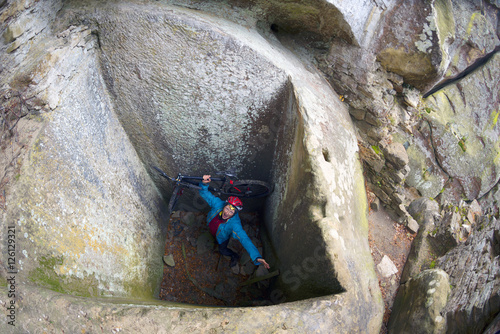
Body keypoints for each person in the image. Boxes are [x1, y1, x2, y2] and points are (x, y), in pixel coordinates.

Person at [199, 175, 270, 269]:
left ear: (234, 213)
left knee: (222, 250)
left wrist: (256, 256)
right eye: (227, 208)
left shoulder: (234, 225)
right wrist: (205, 183)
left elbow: (245, 240)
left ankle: (234, 256)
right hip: (213, 228)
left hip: (222, 239)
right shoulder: (218, 204)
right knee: (213, 235)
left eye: (231, 211)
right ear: (225, 205)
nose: (227, 212)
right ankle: (214, 238)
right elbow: (205, 193)